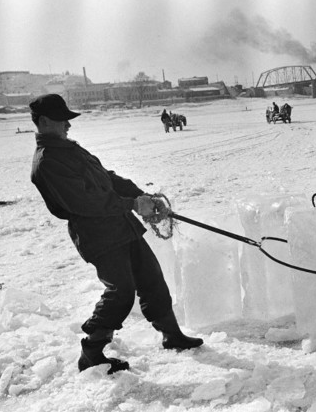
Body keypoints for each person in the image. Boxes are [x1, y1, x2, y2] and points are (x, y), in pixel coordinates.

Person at [29, 94, 203, 374]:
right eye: (63, 120)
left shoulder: (69, 149)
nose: (68, 126)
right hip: (98, 234)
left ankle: (172, 335)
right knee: (121, 290)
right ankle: (92, 351)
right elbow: (85, 203)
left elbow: (107, 179)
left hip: (121, 226)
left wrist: (140, 196)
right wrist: (132, 204)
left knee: (152, 279)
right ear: (45, 121)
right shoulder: (48, 162)